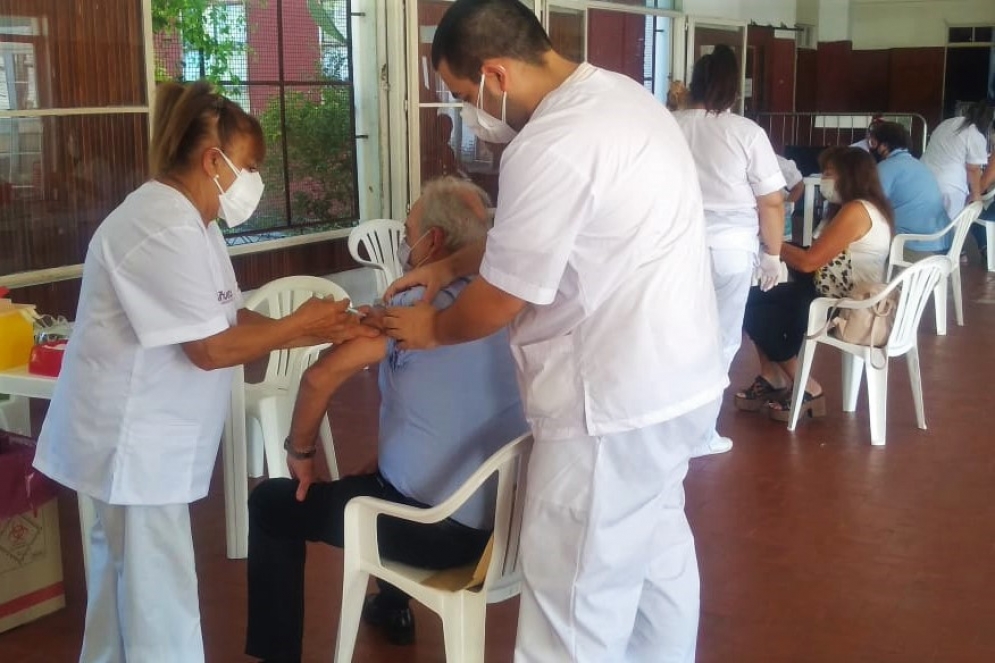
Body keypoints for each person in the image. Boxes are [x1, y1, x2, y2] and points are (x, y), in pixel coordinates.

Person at [382, 1, 727, 661]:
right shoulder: (620, 99)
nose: (467, 113)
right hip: (677, 387)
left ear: (495, 75)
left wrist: (430, 328)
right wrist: (449, 265)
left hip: (608, 409)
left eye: (462, 95)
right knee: (657, 570)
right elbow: (533, 241)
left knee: (572, 611)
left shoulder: (550, 144)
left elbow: (498, 301)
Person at [32, 81, 372, 663]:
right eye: (249, 166)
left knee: (125, 591)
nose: (254, 181)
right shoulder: (159, 225)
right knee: (156, 597)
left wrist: (307, 328)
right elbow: (210, 348)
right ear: (213, 160)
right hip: (132, 444)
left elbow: (225, 312)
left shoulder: (195, 222)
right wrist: (294, 326)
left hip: (146, 441)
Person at [244, 177, 527, 662]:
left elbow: (319, 379)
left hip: (437, 538)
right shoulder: (511, 304)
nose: (403, 241)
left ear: (432, 242)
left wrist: (301, 452)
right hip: (508, 530)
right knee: (376, 477)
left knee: (273, 504)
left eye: (407, 229)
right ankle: (392, 605)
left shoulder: (411, 309)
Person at [673, 44, 786, 455]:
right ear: (734, 91)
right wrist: (772, 254)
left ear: (693, 85)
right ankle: (700, 434)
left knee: (672, 336)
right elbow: (770, 201)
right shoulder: (745, 132)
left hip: (673, 247)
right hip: (730, 251)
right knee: (719, 342)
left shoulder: (669, 125)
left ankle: (665, 428)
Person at [738, 148, 893, 421]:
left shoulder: (857, 211)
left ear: (849, 175)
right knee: (757, 297)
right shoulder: (856, 207)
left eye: (829, 174)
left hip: (844, 304)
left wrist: (771, 242)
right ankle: (772, 375)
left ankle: (806, 386)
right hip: (832, 291)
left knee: (752, 306)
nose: (823, 179)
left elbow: (810, 262)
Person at [868, 121, 950, 259]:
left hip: (914, 246)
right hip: (941, 242)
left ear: (884, 146)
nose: (870, 147)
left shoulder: (886, 168)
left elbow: (868, 207)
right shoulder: (918, 165)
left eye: (873, 143)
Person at [922, 101, 991, 225]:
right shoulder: (974, 133)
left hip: (925, 179)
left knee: (929, 225)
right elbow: (973, 169)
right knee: (951, 228)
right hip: (949, 186)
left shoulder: (946, 123)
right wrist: (976, 196)